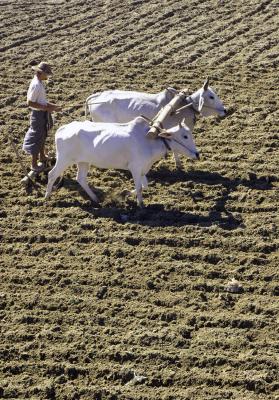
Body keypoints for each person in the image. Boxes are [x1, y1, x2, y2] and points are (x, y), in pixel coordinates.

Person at [22, 62, 62, 171]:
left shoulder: (39, 82)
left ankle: (42, 156)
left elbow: (42, 101)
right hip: (37, 115)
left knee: (43, 135)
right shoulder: (36, 85)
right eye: (47, 74)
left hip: (42, 113)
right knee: (37, 138)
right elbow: (30, 102)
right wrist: (47, 108)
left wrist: (53, 106)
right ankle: (34, 165)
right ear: (41, 73)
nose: (48, 76)